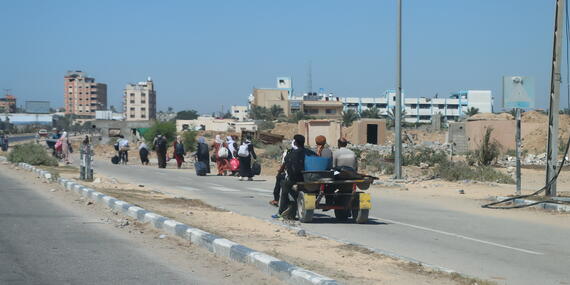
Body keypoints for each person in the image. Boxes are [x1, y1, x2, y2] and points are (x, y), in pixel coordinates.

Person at [275, 134, 316, 219]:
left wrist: (280, 174)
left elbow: (286, 166)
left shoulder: (291, 154)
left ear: (295, 142)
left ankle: (281, 211)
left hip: (296, 179)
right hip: (310, 178)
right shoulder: (310, 152)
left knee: (284, 187)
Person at [269, 141, 295, 207]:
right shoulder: (302, 152)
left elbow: (284, 164)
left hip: (289, 174)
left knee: (278, 179)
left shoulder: (287, 153)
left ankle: (276, 200)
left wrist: (279, 172)